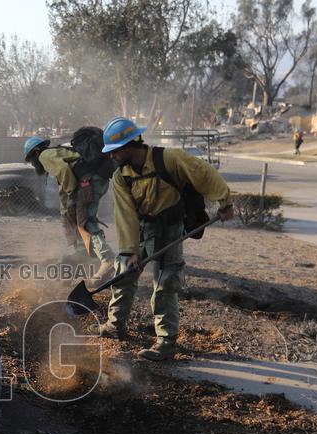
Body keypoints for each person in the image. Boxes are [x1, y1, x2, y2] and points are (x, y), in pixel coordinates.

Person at [96, 116, 234, 361]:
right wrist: (130, 251)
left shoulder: (168, 158)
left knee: (165, 283)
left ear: (130, 145)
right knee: (124, 274)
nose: (111, 156)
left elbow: (203, 173)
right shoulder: (121, 176)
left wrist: (225, 201)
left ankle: (166, 342)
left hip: (169, 228)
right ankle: (115, 325)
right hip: (140, 228)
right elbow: (125, 214)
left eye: (115, 151)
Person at [23, 135, 116, 279]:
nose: (33, 163)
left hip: (89, 182)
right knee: (81, 221)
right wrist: (66, 211)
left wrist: (72, 197)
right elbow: (64, 186)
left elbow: (65, 172)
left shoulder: (44, 155)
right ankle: (86, 258)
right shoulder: (57, 151)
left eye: (31, 158)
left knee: (84, 222)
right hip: (96, 180)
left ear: (35, 152)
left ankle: (108, 258)